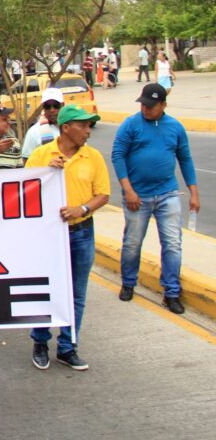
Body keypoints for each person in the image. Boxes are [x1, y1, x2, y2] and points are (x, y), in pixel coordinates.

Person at [26, 105, 110, 371]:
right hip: (48, 234)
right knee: (46, 289)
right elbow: (23, 191)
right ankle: (40, 342)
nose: (88, 131)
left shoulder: (93, 157)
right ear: (66, 128)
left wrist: (82, 209)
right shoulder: (41, 155)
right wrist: (45, 174)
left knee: (76, 292)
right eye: (83, 126)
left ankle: (68, 346)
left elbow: (103, 194)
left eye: (89, 126)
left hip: (81, 231)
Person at [111, 84, 198, 313]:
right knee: (132, 244)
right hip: (137, 196)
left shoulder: (175, 127)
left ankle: (171, 292)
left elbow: (185, 159)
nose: (145, 109)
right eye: (142, 104)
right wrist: (128, 189)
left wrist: (194, 193)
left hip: (168, 193)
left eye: (150, 105)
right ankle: (128, 283)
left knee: (172, 244)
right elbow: (118, 155)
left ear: (163, 105)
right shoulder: (131, 125)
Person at [21, 88, 64, 162]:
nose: (52, 110)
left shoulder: (72, 128)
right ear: (43, 107)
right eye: (48, 106)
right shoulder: (33, 132)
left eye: (56, 105)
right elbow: (26, 160)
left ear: (62, 105)